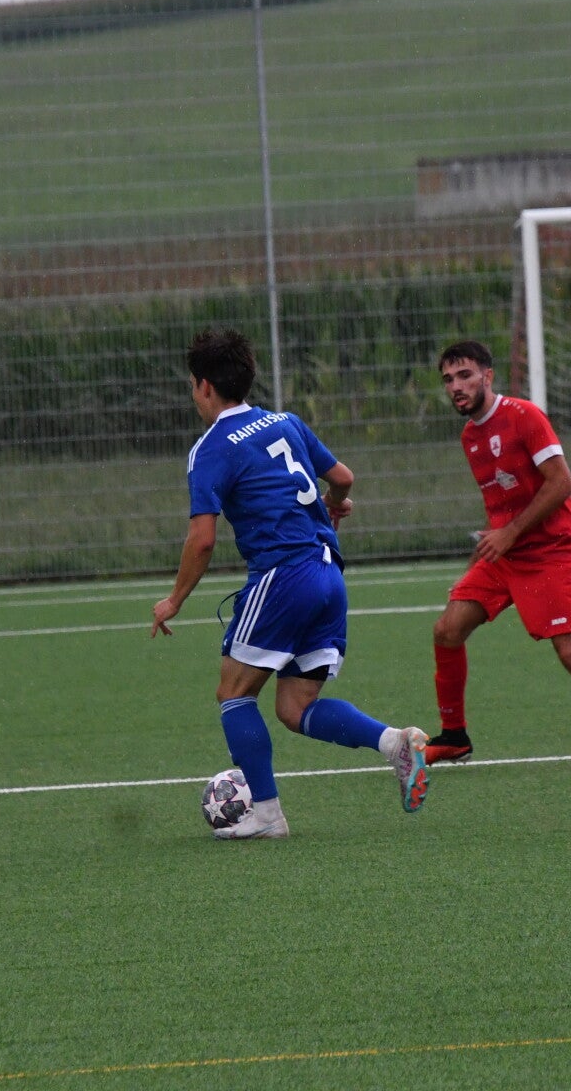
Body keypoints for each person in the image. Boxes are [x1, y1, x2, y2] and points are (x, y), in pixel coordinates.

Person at [151, 328, 429, 839]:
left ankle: (267, 815)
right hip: (328, 574)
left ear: (205, 386)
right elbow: (343, 478)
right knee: (293, 707)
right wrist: (332, 505)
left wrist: (174, 599)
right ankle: (395, 744)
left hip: (283, 576)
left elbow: (203, 540)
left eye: (192, 385)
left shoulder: (210, 449)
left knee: (233, 692)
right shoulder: (286, 421)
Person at [423, 340, 571, 768]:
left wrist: (510, 534)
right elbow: (499, 512)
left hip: (551, 552)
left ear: (488, 376)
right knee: (447, 630)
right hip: (506, 556)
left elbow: (562, 483)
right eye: (448, 379)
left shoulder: (524, 416)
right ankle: (454, 736)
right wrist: (474, 567)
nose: (456, 386)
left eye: (465, 375)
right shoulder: (470, 436)